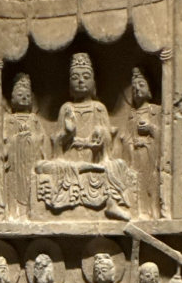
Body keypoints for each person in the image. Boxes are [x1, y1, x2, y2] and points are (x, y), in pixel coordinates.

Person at [35, 52, 134, 221]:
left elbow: (107, 143)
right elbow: (57, 145)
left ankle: (111, 204)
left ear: (93, 84)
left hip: (94, 157)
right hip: (71, 160)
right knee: (44, 167)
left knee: (117, 165)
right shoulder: (66, 108)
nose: (80, 81)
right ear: (69, 85)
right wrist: (67, 133)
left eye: (86, 77)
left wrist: (100, 136)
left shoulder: (99, 108)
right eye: (75, 77)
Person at [3, 73, 46, 216]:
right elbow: (5, 140)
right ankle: (14, 212)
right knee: (12, 185)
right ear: (12, 98)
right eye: (20, 95)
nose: (24, 98)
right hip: (15, 165)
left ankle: (32, 211)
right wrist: (17, 139)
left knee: (32, 186)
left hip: (30, 162)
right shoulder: (9, 120)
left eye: (27, 95)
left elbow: (41, 139)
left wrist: (30, 139)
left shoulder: (34, 120)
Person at [121, 67, 161, 219]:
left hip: (150, 156)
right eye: (134, 88)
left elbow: (164, 137)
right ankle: (139, 212)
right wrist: (131, 144)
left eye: (141, 85)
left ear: (149, 89)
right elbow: (127, 137)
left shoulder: (155, 111)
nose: (137, 89)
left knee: (151, 183)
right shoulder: (132, 115)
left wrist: (151, 129)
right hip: (136, 156)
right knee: (137, 184)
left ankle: (153, 211)